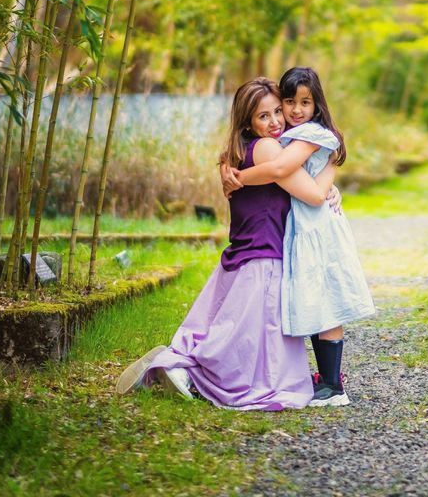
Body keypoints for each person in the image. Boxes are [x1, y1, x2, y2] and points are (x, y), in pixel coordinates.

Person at [115, 77, 334, 410]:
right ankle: (187, 373)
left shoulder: (238, 150)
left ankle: (180, 365)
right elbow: (313, 194)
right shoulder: (270, 148)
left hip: (240, 253)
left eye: (278, 110)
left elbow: (301, 182)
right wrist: (332, 168)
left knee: (230, 330)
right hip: (264, 255)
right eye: (264, 116)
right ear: (248, 120)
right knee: (250, 344)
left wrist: (331, 188)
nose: (275, 121)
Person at [224, 67, 374, 407]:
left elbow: (279, 171)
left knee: (326, 299)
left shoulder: (313, 134)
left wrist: (238, 177)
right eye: (288, 102)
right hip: (304, 227)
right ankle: (326, 379)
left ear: (317, 104)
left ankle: (334, 385)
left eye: (304, 102)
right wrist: (225, 166)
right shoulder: (288, 135)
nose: (293, 111)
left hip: (318, 226)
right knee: (310, 298)